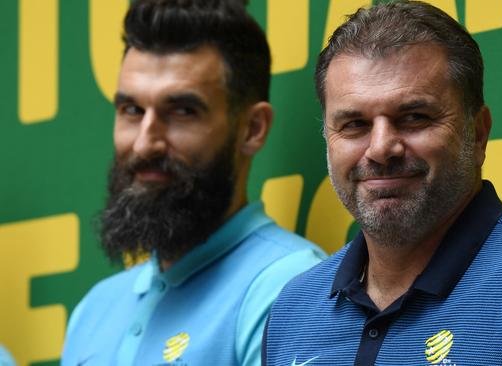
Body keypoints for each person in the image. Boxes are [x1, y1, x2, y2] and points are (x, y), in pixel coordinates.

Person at [263, 1, 502, 365]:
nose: (381, 148)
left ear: (478, 133)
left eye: (414, 117)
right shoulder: (292, 311)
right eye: (355, 125)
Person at [61, 0, 325, 365]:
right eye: (132, 111)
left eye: (183, 112)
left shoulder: (291, 288)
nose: (145, 143)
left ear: (252, 128)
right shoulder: (92, 312)